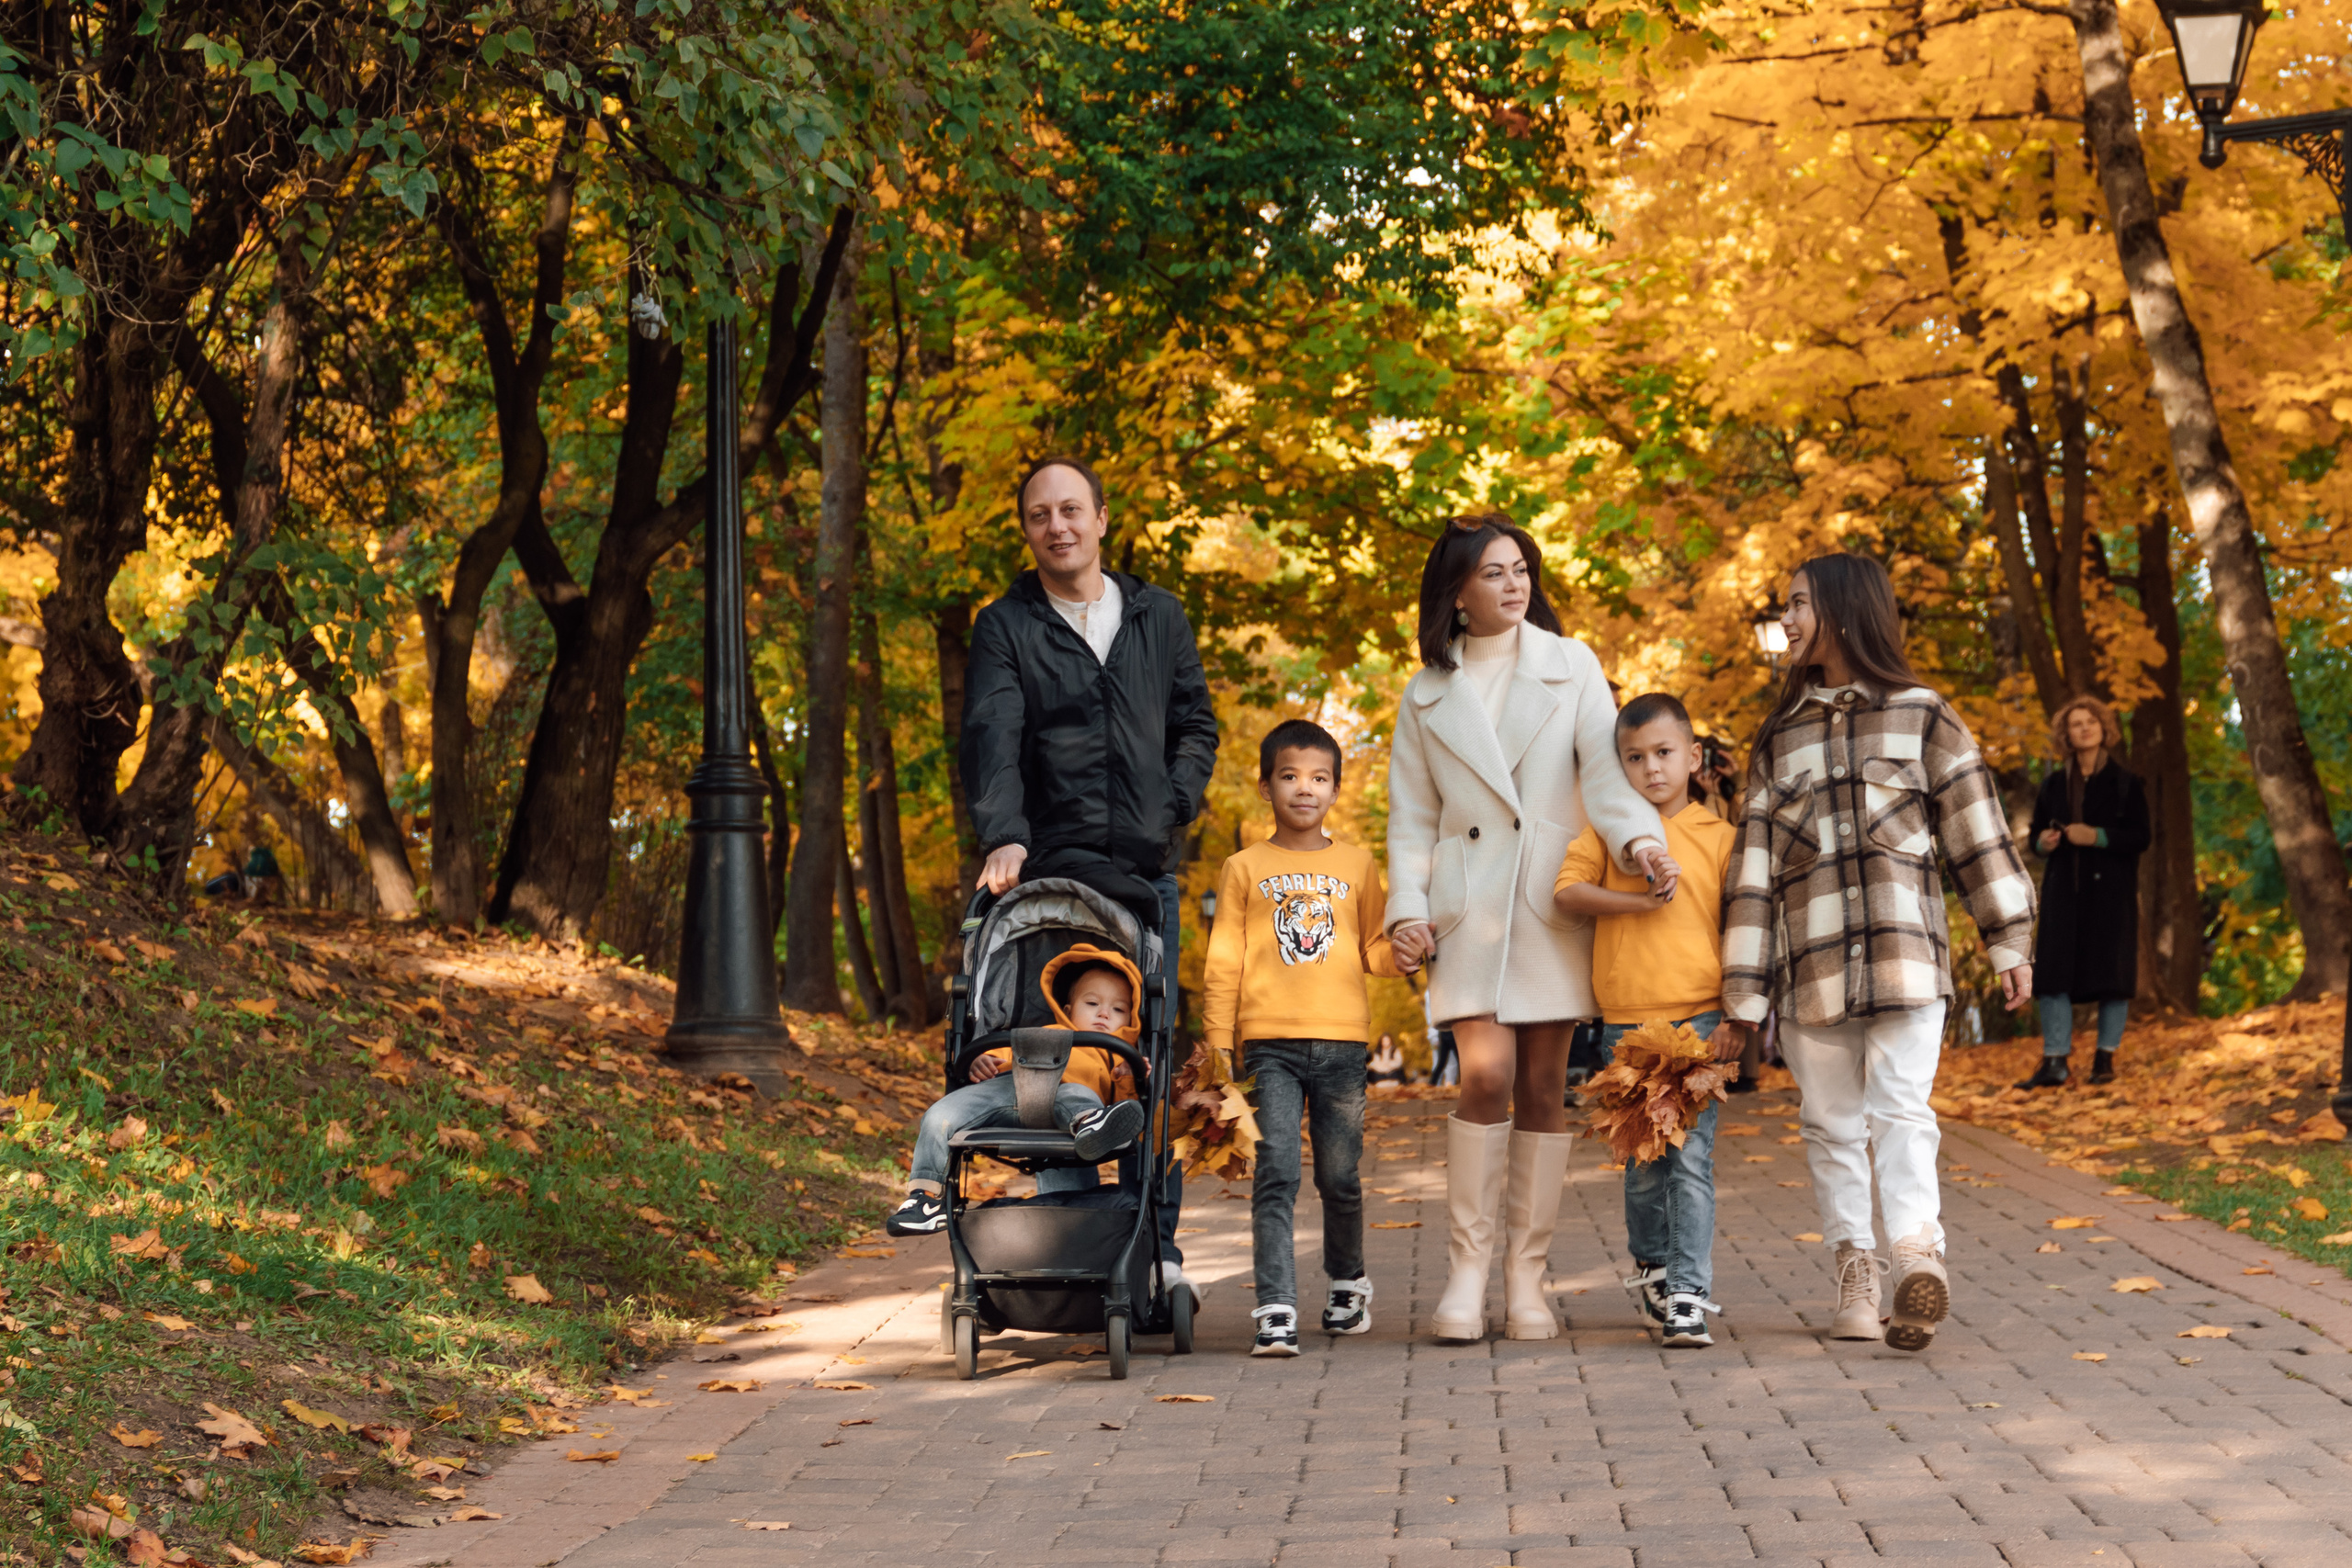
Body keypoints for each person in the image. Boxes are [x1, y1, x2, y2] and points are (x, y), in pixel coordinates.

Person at [1722, 553, 2035, 1352]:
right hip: (1812, 972)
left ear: (1844, 608)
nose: (1787, 618)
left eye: (1798, 603)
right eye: (1785, 604)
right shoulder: (1778, 740)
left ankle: (1916, 1254)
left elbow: (1977, 831)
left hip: (1906, 960)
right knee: (1830, 1126)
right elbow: (1752, 874)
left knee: (1902, 1111)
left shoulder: (1923, 716)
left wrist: (2008, 938)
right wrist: (1744, 994)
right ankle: (1855, 1272)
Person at [1385, 513, 1675, 1343]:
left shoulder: (1570, 662)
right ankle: (1466, 1272)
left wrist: (1642, 841)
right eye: (1493, 573)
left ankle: (1526, 1277)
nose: (1513, 585)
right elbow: (1412, 817)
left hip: (1549, 899)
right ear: (1458, 593)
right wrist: (1408, 909)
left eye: (1521, 569)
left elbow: (1606, 775)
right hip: (1468, 906)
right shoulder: (1426, 692)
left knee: (1545, 1088)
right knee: (1485, 1075)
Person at [961, 456, 1220, 1304]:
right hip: (1055, 873)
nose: (1058, 526)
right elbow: (993, 733)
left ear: (1102, 518)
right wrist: (1005, 835)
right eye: (1040, 515)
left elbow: (1196, 722)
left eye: (1071, 509)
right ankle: (1071, 1243)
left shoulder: (1157, 614)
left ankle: (1160, 1250)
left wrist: (1172, 803)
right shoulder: (1006, 625)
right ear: (1027, 530)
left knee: (1149, 1062)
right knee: (1060, 1064)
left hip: (1145, 872)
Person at [1203, 720, 1401, 1356]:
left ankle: (1347, 1283)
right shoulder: (1244, 868)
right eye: (1289, 776)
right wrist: (1218, 1045)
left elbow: (1374, 950)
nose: (1305, 788)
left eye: (1319, 777)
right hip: (1269, 1047)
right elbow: (1224, 961)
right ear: (1266, 787)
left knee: (1339, 1177)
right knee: (1277, 1171)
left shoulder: (1358, 864)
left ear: (1336, 789)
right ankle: (1276, 1307)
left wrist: (1405, 954)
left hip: (1343, 1045)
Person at [1552, 693, 1742, 1348]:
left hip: (1699, 1017)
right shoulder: (1608, 833)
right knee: (1642, 1163)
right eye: (1634, 758)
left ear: (1693, 757)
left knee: (1691, 1158)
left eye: (1664, 753)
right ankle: (1652, 1264)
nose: (1651, 768)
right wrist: (1636, 901)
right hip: (1627, 1024)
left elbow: (1741, 929)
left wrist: (1739, 1015)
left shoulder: (1721, 838)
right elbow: (1566, 892)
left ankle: (1688, 1293)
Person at [887, 946, 1148, 1235]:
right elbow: (998, 1053)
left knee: (1078, 1094)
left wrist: (1131, 1076)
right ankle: (924, 1199)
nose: (1104, 1013)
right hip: (1007, 1088)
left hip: (1065, 1105)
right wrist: (979, 1060)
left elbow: (1128, 1110)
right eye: (1092, 1003)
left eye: (1118, 1009)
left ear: (1130, 1019)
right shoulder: (1045, 1031)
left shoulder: (1117, 1055)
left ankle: (1091, 1123)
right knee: (939, 1115)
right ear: (1068, 1010)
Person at [2018, 695, 2151, 1090]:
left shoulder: (2127, 783)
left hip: (2111, 897)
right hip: (2064, 893)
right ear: (2067, 735)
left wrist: (2097, 836)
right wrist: (2044, 842)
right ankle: (2055, 1062)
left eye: (2091, 721)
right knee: (2052, 975)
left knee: (2113, 977)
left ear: (2104, 728)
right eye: (2076, 724)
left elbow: (2141, 837)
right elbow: (2034, 838)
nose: (2085, 728)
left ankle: (2104, 1059)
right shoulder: (2053, 785)